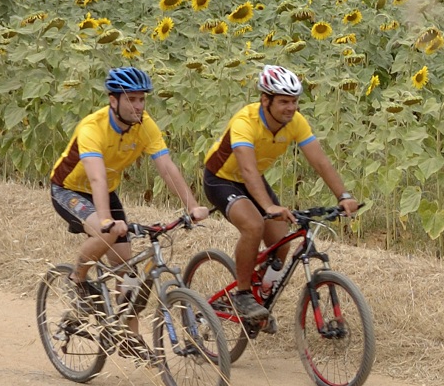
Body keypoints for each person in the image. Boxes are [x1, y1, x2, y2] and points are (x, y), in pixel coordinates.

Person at [49, 67, 210, 324]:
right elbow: (96, 177)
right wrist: (105, 221)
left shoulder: (145, 126)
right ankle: (76, 280)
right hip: (69, 189)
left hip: (106, 191)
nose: (138, 106)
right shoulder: (93, 127)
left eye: (142, 99)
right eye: (131, 99)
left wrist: (192, 206)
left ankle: (128, 338)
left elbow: (167, 168)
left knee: (127, 273)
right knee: (108, 232)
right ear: (113, 101)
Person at [200, 64, 361, 321]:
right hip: (222, 179)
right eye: (284, 101)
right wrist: (269, 207)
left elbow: (320, 162)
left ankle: (261, 293)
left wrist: (343, 195)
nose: (291, 108)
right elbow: (248, 170)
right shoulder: (245, 121)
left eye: (295, 101)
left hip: (252, 180)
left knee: (281, 242)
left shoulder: (295, 122)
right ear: (266, 100)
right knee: (253, 226)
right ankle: (242, 294)